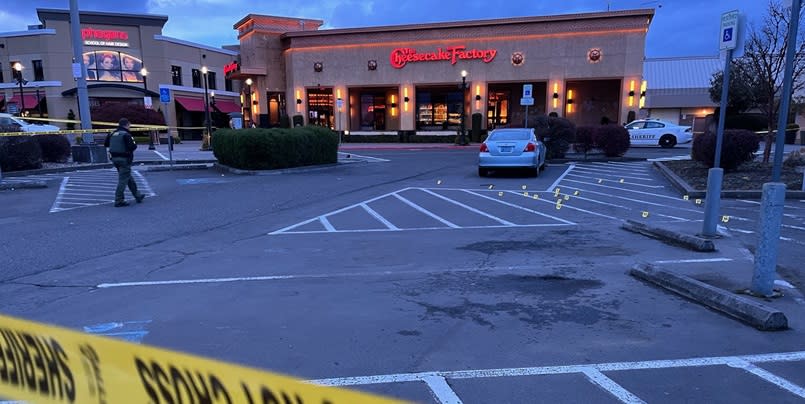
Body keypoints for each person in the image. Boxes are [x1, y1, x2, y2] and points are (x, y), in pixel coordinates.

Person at [104, 118, 145, 207]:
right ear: (127, 124)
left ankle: (137, 195)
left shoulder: (112, 133)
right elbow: (133, 147)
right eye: (129, 125)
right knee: (123, 180)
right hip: (124, 159)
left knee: (128, 177)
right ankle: (119, 200)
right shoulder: (126, 134)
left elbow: (106, 144)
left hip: (114, 159)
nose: (129, 127)